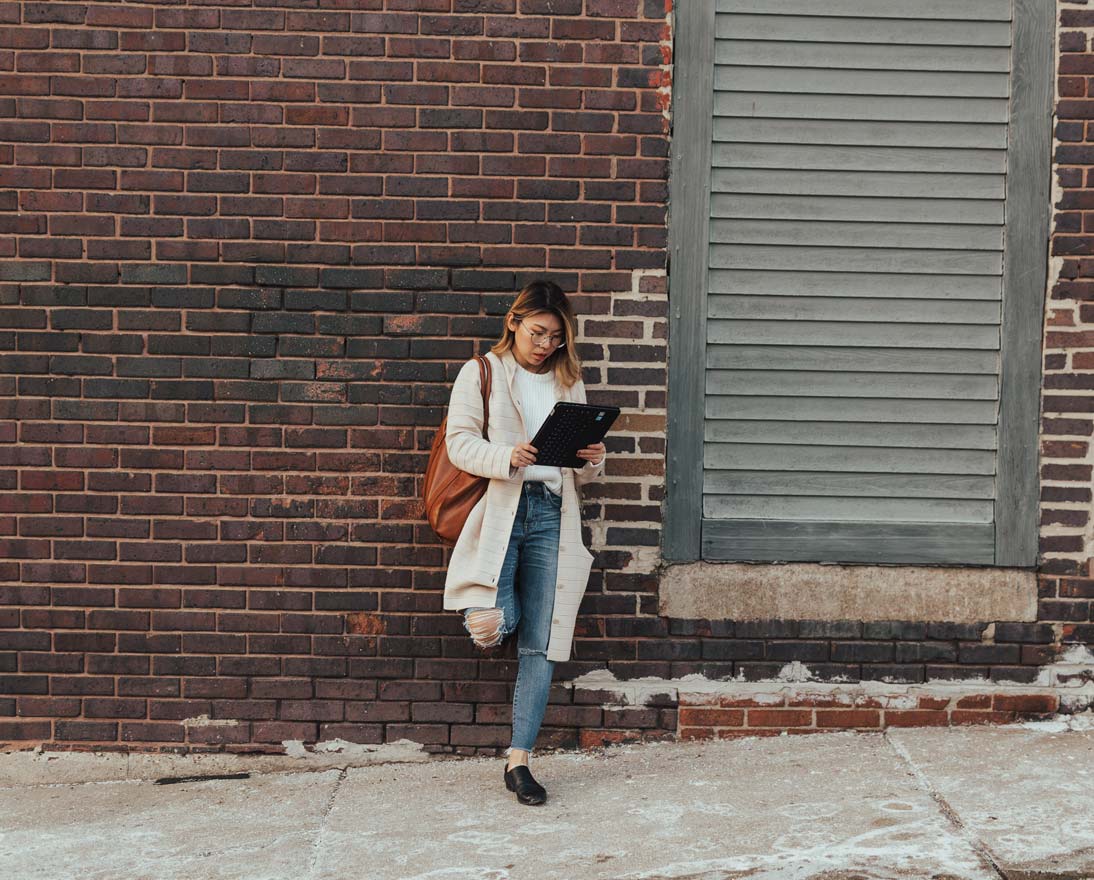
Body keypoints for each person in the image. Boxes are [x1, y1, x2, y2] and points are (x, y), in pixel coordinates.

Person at [441, 279, 606, 806]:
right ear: (514, 322)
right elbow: (459, 441)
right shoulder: (482, 371)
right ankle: (495, 619)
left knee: (543, 642)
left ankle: (520, 761)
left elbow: (578, 468)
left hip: (555, 514)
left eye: (556, 337)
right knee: (493, 621)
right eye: (537, 333)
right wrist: (506, 456)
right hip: (504, 511)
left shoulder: (568, 378)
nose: (545, 345)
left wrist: (594, 458)